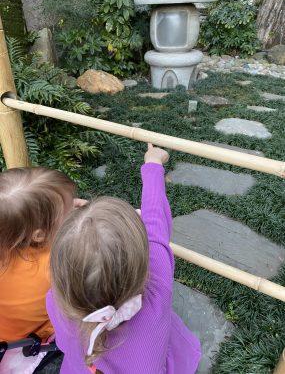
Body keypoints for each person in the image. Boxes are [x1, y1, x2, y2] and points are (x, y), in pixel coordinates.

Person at [47, 144, 201, 373]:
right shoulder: (157, 287)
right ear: (142, 262)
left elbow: (62, 342)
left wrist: (80, 221)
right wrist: (153, 163)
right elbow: (155, 221)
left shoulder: (55, 300)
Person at [0, 167, 80, 373]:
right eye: (69, 211)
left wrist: (66, 211)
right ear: (38, 235)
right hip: (30, 336)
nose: (76, 208)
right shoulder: (57, 261)